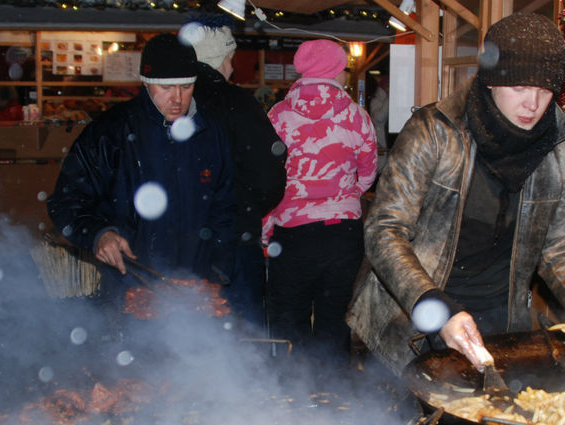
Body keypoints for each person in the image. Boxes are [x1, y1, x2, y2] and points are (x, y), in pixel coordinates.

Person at [346, 13, 565, 375]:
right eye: (519, 87)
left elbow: (560, 248)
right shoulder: (434, 131)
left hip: (499, 324)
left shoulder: (559, 145)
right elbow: (384, 231)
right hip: (411, 317)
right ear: (491, 82)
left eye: (545, 90)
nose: (533, 103)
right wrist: (438, 309)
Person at [47, 33, 235, 299]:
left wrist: (218, 271)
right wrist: (99, 235)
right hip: (131, 282)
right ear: (146, 83)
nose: (177, 99)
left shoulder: (209, 133)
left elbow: (224, 208)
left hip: (195, 285)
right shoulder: (111, 132)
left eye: (185, 86)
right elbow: (66, 201)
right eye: (166, 87)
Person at [263, 39, 377, 358]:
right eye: (343, 70)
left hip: (291, 234)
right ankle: (334, 397)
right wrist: (343, 196)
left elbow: (266, 176)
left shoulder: (278, 115)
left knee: (289, 320)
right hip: (341, 233)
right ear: (336, 71)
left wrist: (265, 227)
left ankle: (292, 398)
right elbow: (368, 174)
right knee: (333, 320)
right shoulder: (357, 116)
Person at [183, 21, 287, 330]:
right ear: (217, 59)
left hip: (182, 239)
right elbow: (270, 170)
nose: (232, 68)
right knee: (244, 331)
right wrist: (250, 208)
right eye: (230, 60)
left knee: (187, 330)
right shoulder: (237, 104)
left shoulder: (172, 103)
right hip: (236, 236)